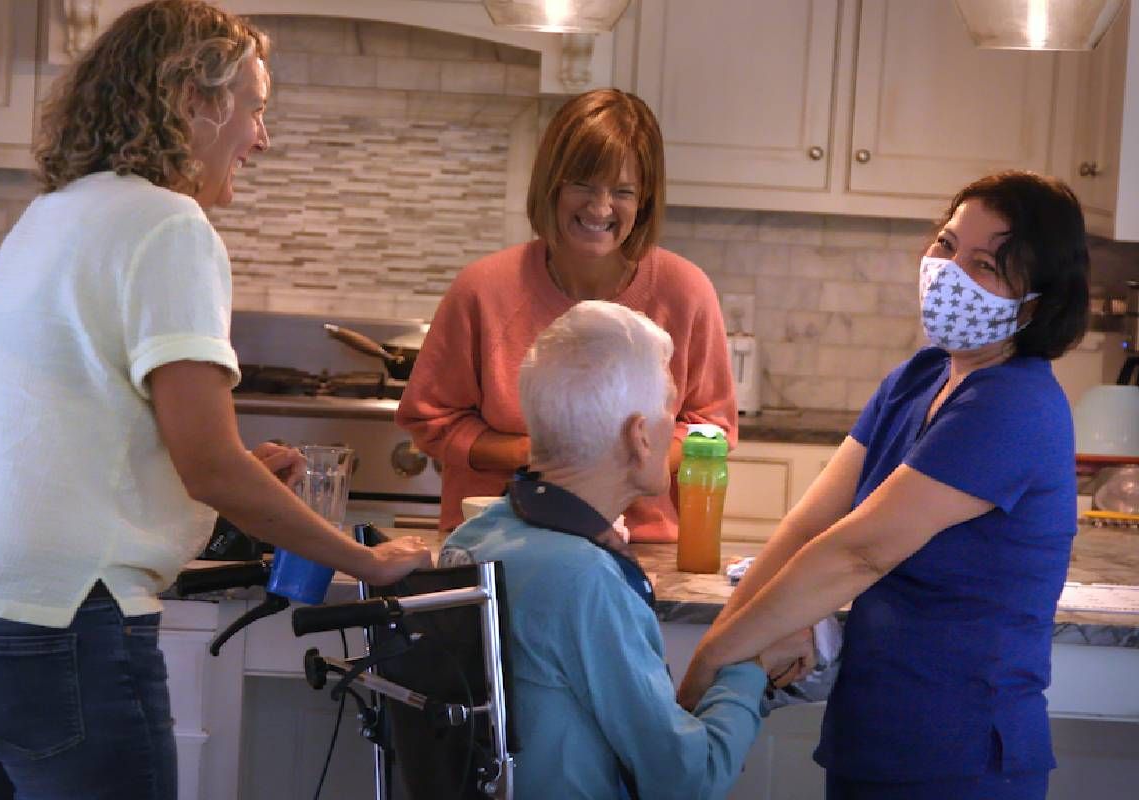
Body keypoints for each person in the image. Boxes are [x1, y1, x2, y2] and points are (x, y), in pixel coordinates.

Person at [0, 3, 429, 798]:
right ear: (193, 101)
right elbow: (207, 464)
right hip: (51, 630)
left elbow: (85, 436)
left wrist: (238, 475)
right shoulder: (171, 225)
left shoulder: (52, 212)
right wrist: (367, 562)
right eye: (256, 108)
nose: (262, 137)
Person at [675, 171, 1090, 799]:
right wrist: (729, 641)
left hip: (960, 753)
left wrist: (711, 661)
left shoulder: (1014, 405)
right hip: (875, 734)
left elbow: (858, 552)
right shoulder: (917, 378)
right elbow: (809, 529)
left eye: (986, 265)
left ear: (1036, 302)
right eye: (947, 245)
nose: (949, 271)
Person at [440, 300, 813, 800]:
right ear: (640, 436)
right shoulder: (584, 578)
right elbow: (687, 780)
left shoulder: (473, 538)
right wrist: (753, 665)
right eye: (671, 413)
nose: (675, 430)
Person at [395, 88, 737, 542]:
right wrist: (539, 456)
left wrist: (609, 467)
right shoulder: (481, 290)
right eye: (583, 185)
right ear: (551, 184)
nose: (600, 208)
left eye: (622, 191)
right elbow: (431, 419)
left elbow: (710, 430)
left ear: (645, 200)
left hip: (641, 549)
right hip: (499, 544)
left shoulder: (686, 292)